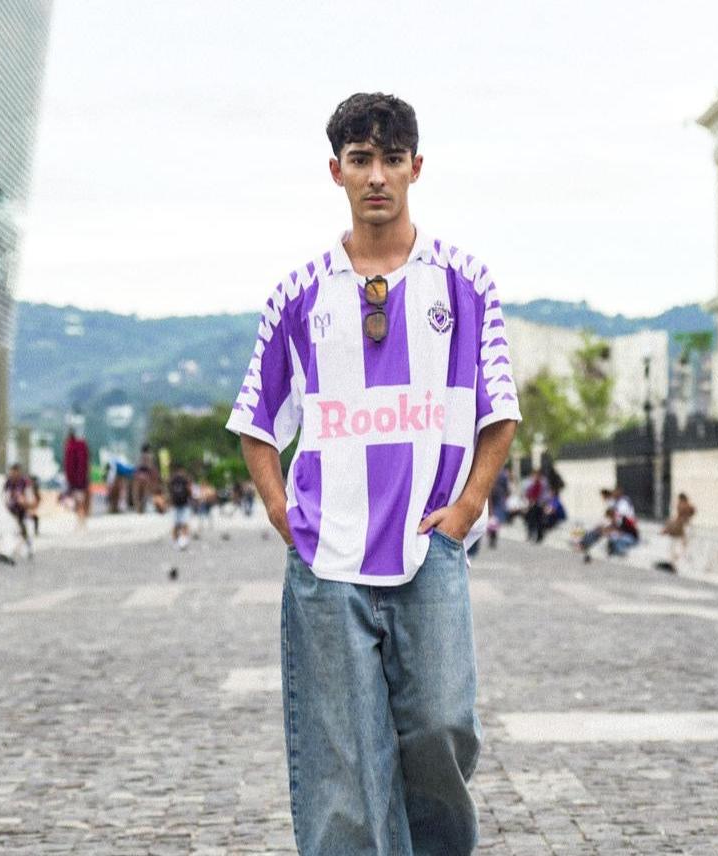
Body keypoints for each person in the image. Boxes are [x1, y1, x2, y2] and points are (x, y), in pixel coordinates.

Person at [226, 92, 521, 855]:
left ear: (417, 167)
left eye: (392, 159)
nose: (377, 176)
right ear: (337, 172)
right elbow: (258, 424)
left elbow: (500, 412)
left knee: (442, 725)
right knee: (345, 757)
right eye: (361, 160)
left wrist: (465, 509)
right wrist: (282, 511)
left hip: (430, 549)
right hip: (330, 559)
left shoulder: (466, 283)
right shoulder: (296, 297)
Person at [658, 492, 696, 572]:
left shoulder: (684, 507)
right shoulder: (685, 509)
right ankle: (675, 564)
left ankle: (677, 565)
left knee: (680, 548)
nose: (678, 503)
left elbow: (679, 520)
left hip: (683, 531)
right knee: (678, 548)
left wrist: (666, 529)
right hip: (682, 531)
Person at [3, 463, 34, 560]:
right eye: (12, 472)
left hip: (22, 509)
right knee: (16, 530)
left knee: (22, 529)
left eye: (15, 471)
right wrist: (7, 503)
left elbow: (29, 495)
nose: (13, 474)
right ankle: (13, 550)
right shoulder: (9, 481)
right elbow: (5, 494)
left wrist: (26, 503)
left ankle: (24, 548)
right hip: (12, 509)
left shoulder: (24, 481)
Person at [63, 430, 90, 525]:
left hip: (75, 481)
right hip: (82, 480)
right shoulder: (82, 446)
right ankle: (81, 520)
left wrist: (70, 480)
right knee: (81, 501)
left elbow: (69, 467)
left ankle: (81, 520)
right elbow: (85, 464)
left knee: (78, 502)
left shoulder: (70, 448)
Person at [168, 464, 192, 550]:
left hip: (178, 504)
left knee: (178, 524)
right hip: (182, 505)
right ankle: (181, 540)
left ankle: (178, 541)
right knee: (182, 524)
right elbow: (189, 490)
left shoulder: (172, 479)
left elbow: (170, 491)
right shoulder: (185, 479)